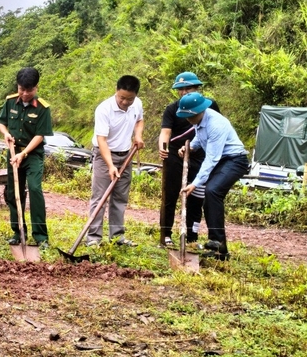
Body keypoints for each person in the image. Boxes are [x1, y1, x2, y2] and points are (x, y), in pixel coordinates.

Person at [177, 92, 249, 260]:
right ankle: (219, 247)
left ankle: (217, 242)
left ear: (200, 111)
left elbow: (211, 158)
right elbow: (200, 137)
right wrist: (191, 147)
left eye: (190, 116)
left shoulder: (216, 124)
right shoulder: (199, 120)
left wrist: (194, 183)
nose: (188, 120)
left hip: (234, 160)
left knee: (213, 191)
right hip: (222, 160)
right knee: (210, 195)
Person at [158, 72, 220, 248]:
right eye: (181, 89)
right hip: (175, 155)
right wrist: (163, 148)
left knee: (197, 196)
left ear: (197, 89)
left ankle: (192, 235)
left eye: (189, 88)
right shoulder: (172, 109)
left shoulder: (209, 106)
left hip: (200, 155)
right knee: (170, 195)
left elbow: (217, 127)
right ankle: (166, 235)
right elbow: (166, 132)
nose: (185, 92)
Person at [0, 67, 53, 249]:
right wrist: (5, 133)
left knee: (35, 189)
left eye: (29, 90)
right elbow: (1, 122)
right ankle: (18, 232)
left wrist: (24, 153)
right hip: (13, 153)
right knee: (14, 192)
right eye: (22, 89)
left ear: (36, 88)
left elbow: (40, 135)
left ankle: (41, 237)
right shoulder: (10, 102)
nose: (25, 93)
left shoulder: (43, 108)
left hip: (32, 155)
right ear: (18, 86)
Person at [86, 75, 145, 247]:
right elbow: (102, 140)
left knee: (120, 197)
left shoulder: (137, 103)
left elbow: (139, 120)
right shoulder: (104, 109)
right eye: (122, 97)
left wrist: (138, 135)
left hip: (126, 154)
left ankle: (117, 237)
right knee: (100, 197)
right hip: (105, 155)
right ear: (116, 92)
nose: (125, 102)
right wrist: (110, 165)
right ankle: (94, 239)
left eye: (129, 98)